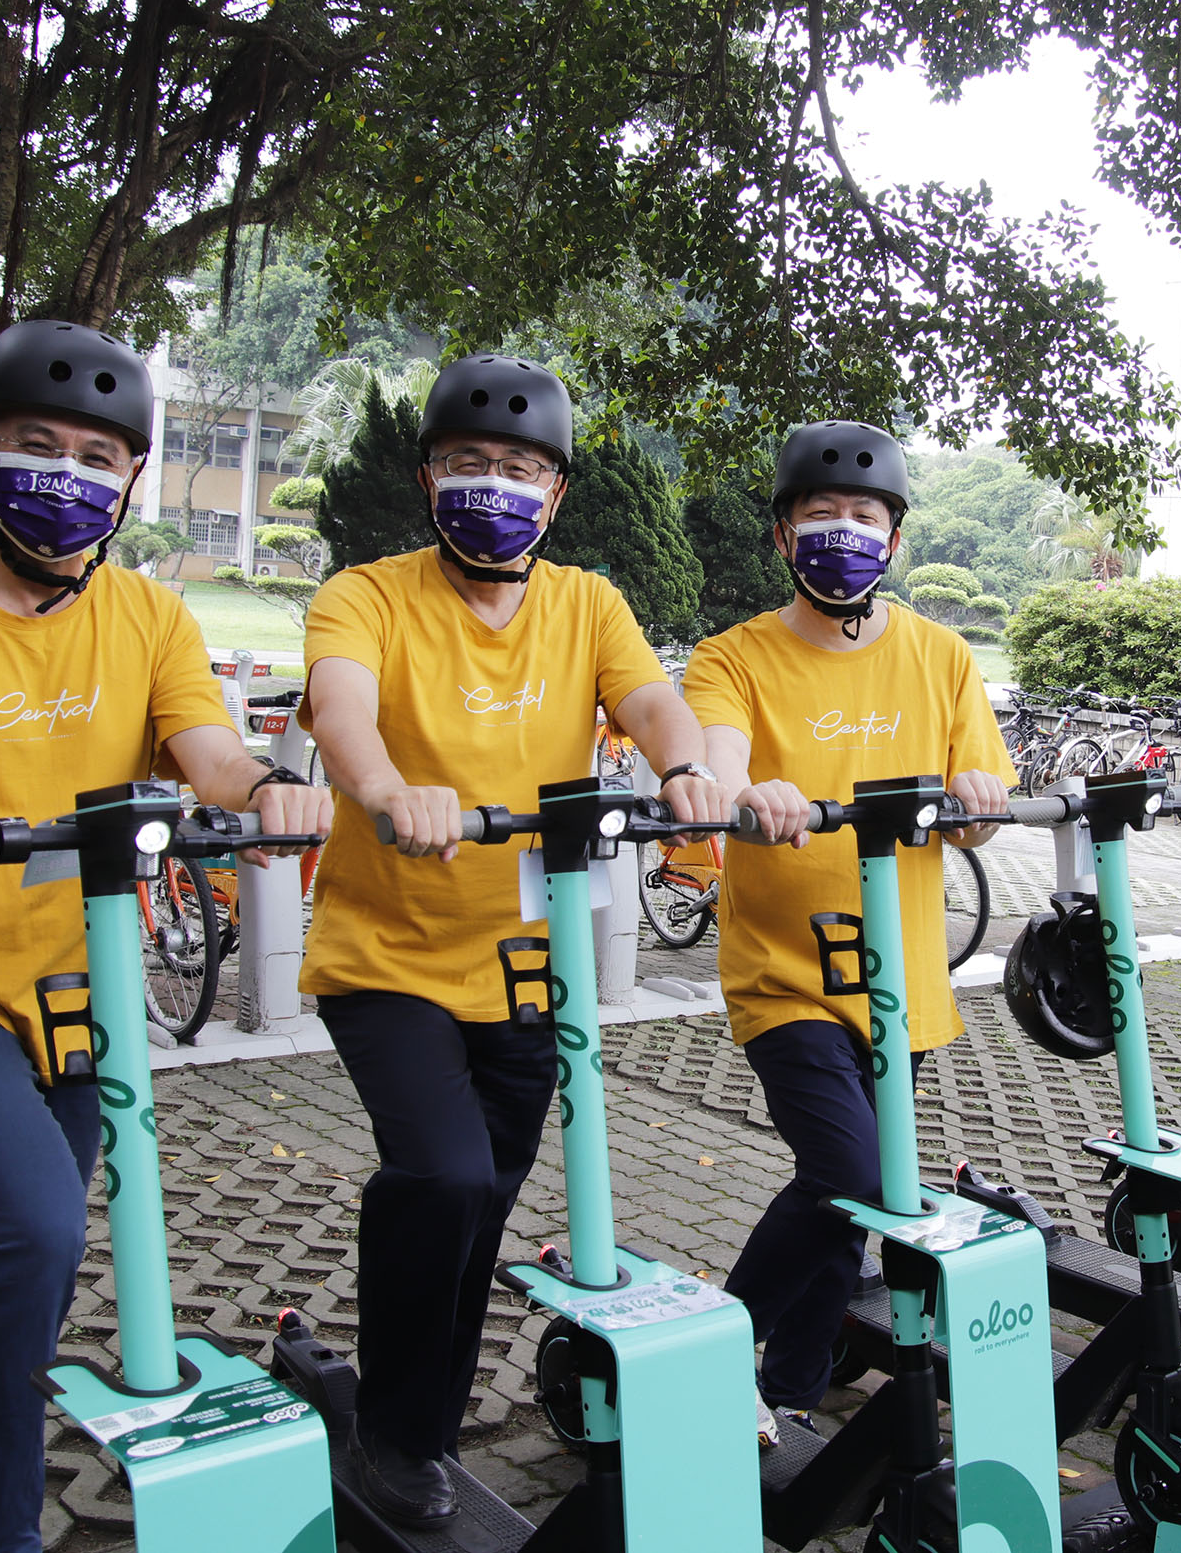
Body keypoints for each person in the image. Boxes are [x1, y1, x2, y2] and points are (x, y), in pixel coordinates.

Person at [0, 319, 332, 1553]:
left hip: (77, 985)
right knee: (35, 1225)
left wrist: (259, 791)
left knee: (33, 1249)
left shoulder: (146, 615)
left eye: (97, 453)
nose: (65, 471)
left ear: (134, 477)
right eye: (35, 443)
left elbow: (203, 743)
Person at [297, 354, 729, 1525]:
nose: (496, 486)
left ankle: (417, 1417)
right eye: (471, 465)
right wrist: (391, 787)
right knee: (439, 1173)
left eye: (522, 470)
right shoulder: (367, 593)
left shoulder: (587, 601)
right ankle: (396, 1428)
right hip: (384, 951)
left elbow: (648, 700)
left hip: (524, 958)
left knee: (483, 1196)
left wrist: (681, 763)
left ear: (558, 492)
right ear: (428, 474)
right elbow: (341, 708)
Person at [683, 419, 1016, 1433]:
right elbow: (716, 761)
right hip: (785, 974)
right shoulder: (731, 655)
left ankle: (791, 1382)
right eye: (818, 516)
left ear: (896, 539)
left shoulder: (942, 655)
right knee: (850, 1171)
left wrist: (976, 798)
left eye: (862, 517)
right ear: (782, 538)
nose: (842, 533)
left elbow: (983, 800)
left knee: (857, 1195)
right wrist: (749, 792)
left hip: (901, 974)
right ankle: (710, 1352)